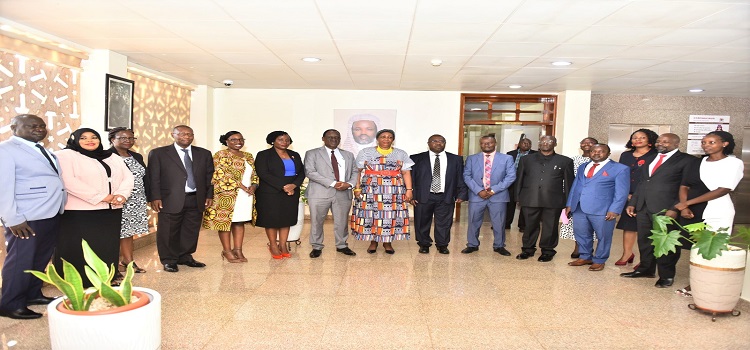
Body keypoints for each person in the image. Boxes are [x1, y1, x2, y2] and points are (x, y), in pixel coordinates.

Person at [0, 114, 66, 320]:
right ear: (14, 127)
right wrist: (12, 218)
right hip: (25, 217)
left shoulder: (42, 149)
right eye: (31, 126)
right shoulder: (5, 150)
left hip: (50, 212)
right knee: (21, 259)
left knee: (40, 257)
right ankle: (10, 303)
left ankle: (32, 294)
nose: (39, 129)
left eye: (42, 126)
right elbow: (3, 186)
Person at [54, 128, 134, 287]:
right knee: (80, 248)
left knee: (105, 246)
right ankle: (79, 282)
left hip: (110, 211)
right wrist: (102, 197)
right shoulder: (65, 155)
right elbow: (68, 181)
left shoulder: (111, 156)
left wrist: (121, 195)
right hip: (79, 213)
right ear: (74, 140)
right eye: (83, 138)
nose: (89, 140)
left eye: (94, 137)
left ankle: (105, 279)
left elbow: (128, 176)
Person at [670, 131, 744, 296]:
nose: (706, 145)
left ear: (724, 144)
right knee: (697, 248)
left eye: (711, 142)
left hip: (717, 211)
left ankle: (712, 285)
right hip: (693, 212)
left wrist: (686, 203)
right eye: (704, 142)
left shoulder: (733, 163)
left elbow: (723, 189)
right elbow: (684, 185)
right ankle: (697, 282)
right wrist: (685, 207)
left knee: (712, 247)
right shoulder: (697, 162)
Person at [622, 133, 698, 288]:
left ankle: (666, 275)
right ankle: (646, 269)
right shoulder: (651, 158)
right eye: (658, 141)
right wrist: (634, 202)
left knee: (666, 243)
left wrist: (675, 208)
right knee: (645, 241)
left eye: (665, 141)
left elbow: (687, 187)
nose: (660, 143)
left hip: (667, 209)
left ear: (676, 143)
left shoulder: (687, 160)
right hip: (643, 207)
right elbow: (643, 182)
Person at [148, 125, 214, 272]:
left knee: (190, 229)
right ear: (173, 135)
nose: (187, 137)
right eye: (182, 134)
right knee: (168, 230)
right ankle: (169, 259)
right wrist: (155, 197)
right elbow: (153, 177)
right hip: (169, 198)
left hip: (195, 197)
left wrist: (209, 194)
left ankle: (185, 256)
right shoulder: (159, 153)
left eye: (190, 134)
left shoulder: (204, 154)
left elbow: (209, 177)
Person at [565, 144, 630, 271]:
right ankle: (585, 256)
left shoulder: (620, 168)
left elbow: (621, 192)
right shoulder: (583, 166)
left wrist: (615, 209)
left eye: (601, 151)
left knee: (603, 236)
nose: (596, 153)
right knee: (581, 234)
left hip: (603, 209)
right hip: (579, 207)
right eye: (594, 151)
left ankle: (600, 259)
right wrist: (569, 204)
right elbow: (575, 186)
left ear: (608, 153)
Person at [351, 129, 413, 254]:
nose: (386, 139)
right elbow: (356, 171)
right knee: (371, 215)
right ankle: (373, 242)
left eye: (389, 137)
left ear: (393, 140)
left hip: (394, 191)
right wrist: (357, 188)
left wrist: (409, 190)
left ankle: (387, 243)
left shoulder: (401, 153)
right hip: (370, 190)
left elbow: (406, 172)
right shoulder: (366, 152)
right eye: (383, 137)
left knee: (389, 216)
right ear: (377, 139)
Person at [201, 131, 258, 263]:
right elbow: (219, 174)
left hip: (246, 196)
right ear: (226, 141)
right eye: (234, 139)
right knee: (224, 223)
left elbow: (255, 174)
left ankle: (238, 250)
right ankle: (227, 251)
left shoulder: (248, 156)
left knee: (239, 222)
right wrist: (242, 186)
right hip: (226, 194)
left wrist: (254, 186)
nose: (238, 142)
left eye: (240, 139)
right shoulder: (220, 155)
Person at [516, 135, 574, 262]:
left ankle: (547, 251)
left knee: (550, 227)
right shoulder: (526, 159)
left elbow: (569, 184)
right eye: (542, 141)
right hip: (530, 198)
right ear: (539, 143)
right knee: (530, 226)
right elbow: (519, 179)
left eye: (549, 141)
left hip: (553, 200)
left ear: (555, 143)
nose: (545, 143)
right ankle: (527, 249)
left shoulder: (565, 161)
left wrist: (569, 203)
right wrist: (518, 197)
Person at [304, 129, 358, 258]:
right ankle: (316, 246)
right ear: (323, 138)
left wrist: (349, 184)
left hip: (343, 193)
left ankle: (342, 245)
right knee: (317, 221)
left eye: (336, 137)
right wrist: (333, 183)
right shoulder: (312, 153)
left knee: (342, 221)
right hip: (319, 193)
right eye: (330, 137)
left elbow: (355, 171)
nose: (333, 139)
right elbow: (310, 172)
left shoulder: (348, 155)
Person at [410, 134, 468, 254]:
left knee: (444, 222)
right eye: (434, 141)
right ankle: (424, 244)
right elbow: (412, 178)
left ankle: (442, 245)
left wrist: (461, 193)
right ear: (428, 143)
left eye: (441, 141)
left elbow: (460, 177)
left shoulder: (455, 159)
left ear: (445, 143)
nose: (438, 143)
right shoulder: (416, 158)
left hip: (446, 195)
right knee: (422, 221)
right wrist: (412, 195)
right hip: (423, 196)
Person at [461, 135, 515, 255]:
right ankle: (472, 244)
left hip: (498, 196)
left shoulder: (507, 158)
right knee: (473, 221)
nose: (486, 145)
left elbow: (511, 177)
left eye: (489, 143)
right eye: (483, 143)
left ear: (495, 143)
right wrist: (478, 190)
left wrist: (493, 190)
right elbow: (467, 176)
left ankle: (499, 246)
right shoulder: (471, 158)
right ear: (480, 144)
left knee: (499, 222)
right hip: (476, 195)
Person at [254, 131, 305, 259]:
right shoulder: (263, 155)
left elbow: (302, 172)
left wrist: (293, 185)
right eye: (280, 139)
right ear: (272, 141)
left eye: (287, 140)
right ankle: (273, 245)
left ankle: (283, 245)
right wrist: (284, 187)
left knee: (286, 219)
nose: (284, 142)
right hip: (271, 192)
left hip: (291, 192)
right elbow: (263, 173)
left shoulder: (294, 155)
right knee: (271, 220)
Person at [614, 129, 658, 266]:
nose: (637, 140)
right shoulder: (626, 155)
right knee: (629, 225)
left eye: (642, 137)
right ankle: (627, 254)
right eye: (634, 137)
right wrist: (625, 193)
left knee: (647, 228)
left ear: (650, 140)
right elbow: (621, 175)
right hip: (628, 195)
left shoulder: (656, 155)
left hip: (648, 195)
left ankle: (645, 259)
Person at [108, 127, 148, 275]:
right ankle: (114, 264)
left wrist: (149, 197)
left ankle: (128, 261)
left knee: (128, 232)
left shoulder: (136, 156)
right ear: (113, 139)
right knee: (115, 232)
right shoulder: (106, 156)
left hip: (136, 200)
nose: (128, 141)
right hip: (116, 200)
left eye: (131, 138)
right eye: (123, 138)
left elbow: (145, 178)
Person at [559, 137, 597, 258]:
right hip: (576, 198)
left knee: (592, 225)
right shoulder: (573, 160)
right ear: (580, 145)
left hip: (594, 199)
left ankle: (589, 249)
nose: (587, 144)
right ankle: (578, 247)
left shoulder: (602, 160)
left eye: (590, 142)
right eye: (584, 142)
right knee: (577, 225)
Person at [505, 138, 536, 232]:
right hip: (511, 182)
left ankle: (523, 226)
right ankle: (506, 224)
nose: (526, 144)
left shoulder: (535, 155)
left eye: (528, 143)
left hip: (526, 183)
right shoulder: (510, 154)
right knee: (509, 204)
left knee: (524, 204)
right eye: (524, 143)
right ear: (519, 144)